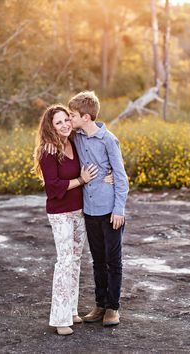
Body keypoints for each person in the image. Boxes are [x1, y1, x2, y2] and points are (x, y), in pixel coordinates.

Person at [46, 92, 129, 326]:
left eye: (71, 116)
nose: (68, 120)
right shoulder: (77, 136)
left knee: (114, 261)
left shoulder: (108, 140)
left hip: (111, 211)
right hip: (89, 211)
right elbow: (56, 133)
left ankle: (113, 308)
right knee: (97, 261)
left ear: (85, 117)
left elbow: (121, 177)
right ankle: (100, 304)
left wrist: (119, 209)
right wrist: (49, 146)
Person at [33, 104, 99, 336]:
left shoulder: (75, 142)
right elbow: (53, 187)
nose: (63, 125)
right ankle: (59, 319)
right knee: (64, 261)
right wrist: (81, 181)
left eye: (66, 120)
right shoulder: (48, 150)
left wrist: (109, 174)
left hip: (79, 210)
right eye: (58, 122)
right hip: (60, 213)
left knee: (76, 260)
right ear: (50, 127)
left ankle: (71, 310)